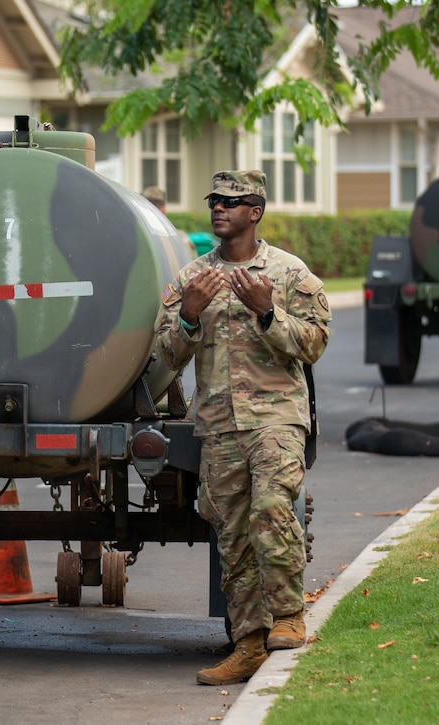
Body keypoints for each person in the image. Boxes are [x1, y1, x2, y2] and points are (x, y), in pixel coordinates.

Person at [154, 170, 331, 686]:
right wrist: (188, 317)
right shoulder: (193, 279)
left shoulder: (289, 273)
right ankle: (248, 643)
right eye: (215, 201)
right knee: (231, 535)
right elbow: (165, 352)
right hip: (219, 424)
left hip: (276, 418)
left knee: (272, 511)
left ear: (256, 211)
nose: (219, 209)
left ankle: (289, 616)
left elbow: (315, 342)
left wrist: (267, 313)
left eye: (232, 202)